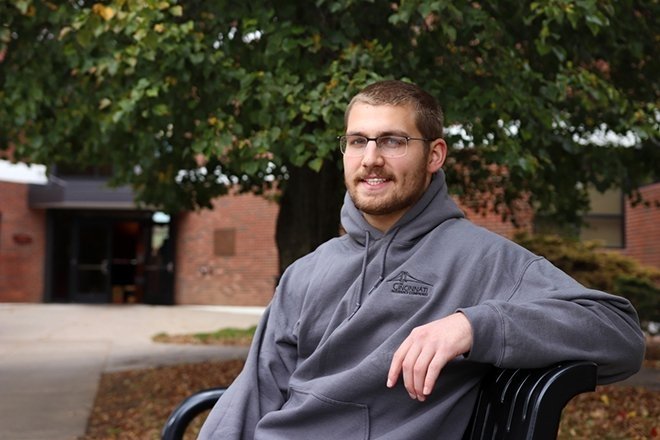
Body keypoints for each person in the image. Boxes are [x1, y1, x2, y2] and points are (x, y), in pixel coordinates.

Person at [198, 80, 644, 439]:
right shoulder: (308, 272)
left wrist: (473, 326)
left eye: (392, 141)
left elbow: (620, 334)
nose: (370, 159)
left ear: (435, 155)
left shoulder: (482, 261)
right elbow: (254, 392)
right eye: (357, 141)